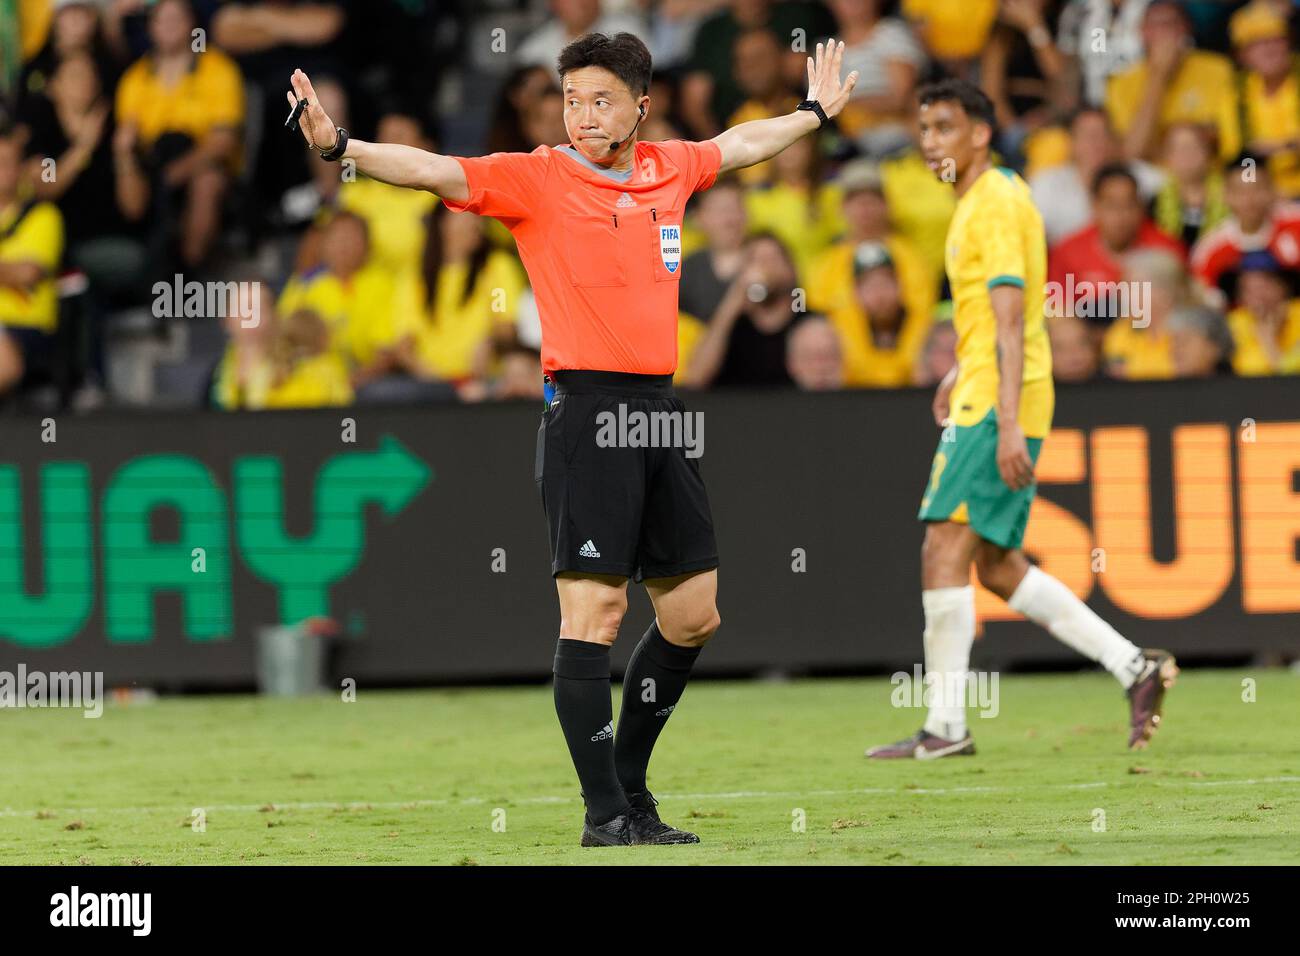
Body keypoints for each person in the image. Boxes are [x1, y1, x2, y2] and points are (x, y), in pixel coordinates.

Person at [286, 31, 859, 845]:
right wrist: (340, 145)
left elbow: (738, 144)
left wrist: (808, 113)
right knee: (595, 612)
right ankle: (605, 815)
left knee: (696, 615)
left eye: (599, 100)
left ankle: (629, 787)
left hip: (660, 411)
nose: (582, 116)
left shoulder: (670, 167)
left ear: (639, 108)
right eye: (572, 99)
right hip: (586, 413)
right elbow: (434, 169)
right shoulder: (538, 177)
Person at [866, 80, 1177, 761]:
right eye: (923, 129)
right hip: (990, 387)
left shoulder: (997, 202)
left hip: (1000, 399)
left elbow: (1012, 320)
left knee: (942, 547)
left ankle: (945, 728)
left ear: (981, 133)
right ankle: (1135, 666)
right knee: (999, 565)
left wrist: (1005, 422)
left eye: (944, 127)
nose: (930, 141)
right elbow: (995, 318)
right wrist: (957, 369)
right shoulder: (978, 201)